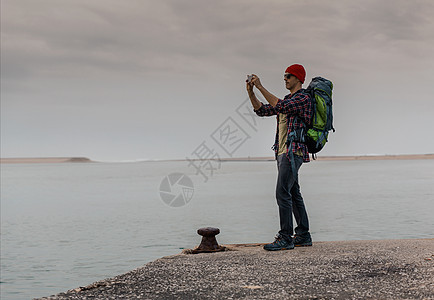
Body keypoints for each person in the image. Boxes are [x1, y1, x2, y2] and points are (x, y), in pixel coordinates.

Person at [246, 64, 313, 251]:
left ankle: (285, 237)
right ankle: (303, 235)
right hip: (282, 151)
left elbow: (281, 106)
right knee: (293, 193)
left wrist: (260, 86)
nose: (285, 79)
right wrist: (251, 92)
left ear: (298, 78)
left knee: (282, 192)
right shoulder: (287, 99)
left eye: (288, 76)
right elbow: (262, 110)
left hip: (293, 152)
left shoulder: (303, 98)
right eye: (284, 76)